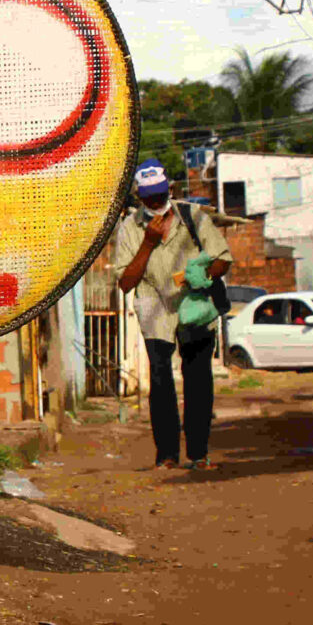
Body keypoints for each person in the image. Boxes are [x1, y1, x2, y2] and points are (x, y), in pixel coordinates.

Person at [114, 159, 233, 470]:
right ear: (139, 197)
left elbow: (223, 259)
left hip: (194, 308)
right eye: (149, 197)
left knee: (198, 380)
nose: (156, 201)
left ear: (170, 189)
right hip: (155, 310)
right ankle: (166, 455)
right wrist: (148, 243)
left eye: (160, 194)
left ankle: (198, 453)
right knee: (160, 381)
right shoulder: (129, 228)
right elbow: (126, 283)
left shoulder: (192, 216)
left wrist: (203, 274)